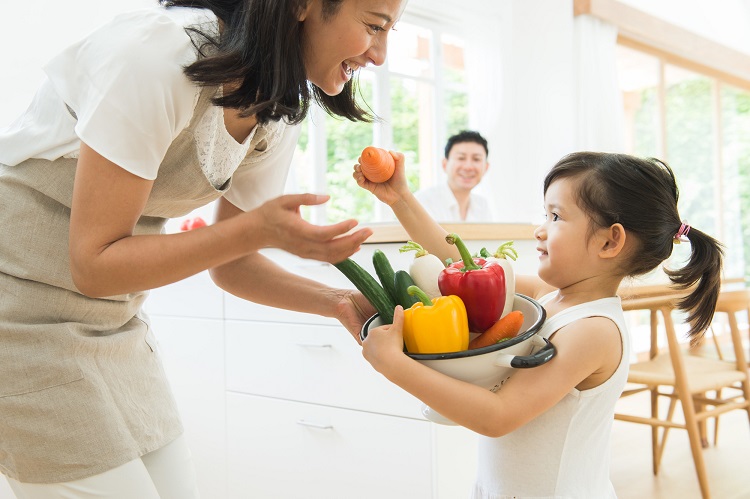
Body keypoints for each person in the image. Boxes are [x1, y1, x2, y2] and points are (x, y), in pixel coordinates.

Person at [0, 0, 407, 497]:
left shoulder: (277, 109)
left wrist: (344, 304)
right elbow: (94, 264)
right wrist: (254, 230)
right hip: (15, 311)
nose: (380, 55)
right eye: (373, 26)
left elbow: (233, 268)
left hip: (113, 321)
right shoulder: (158, 56)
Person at [353, 150, 723, 498]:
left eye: (556, 216)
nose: (539, 230)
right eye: (544, 215)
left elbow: (498, 416)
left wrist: (394, 366)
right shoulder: (551, 295)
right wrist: (400, 197)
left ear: (610, 241)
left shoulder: (593, 330)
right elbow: (459, 264)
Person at [414, 129, 495, 222]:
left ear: (486, 167)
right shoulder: (423, 202)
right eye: (461, 158)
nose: (468, 167)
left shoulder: (482, 205)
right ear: (445, 164)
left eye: (476, 159)